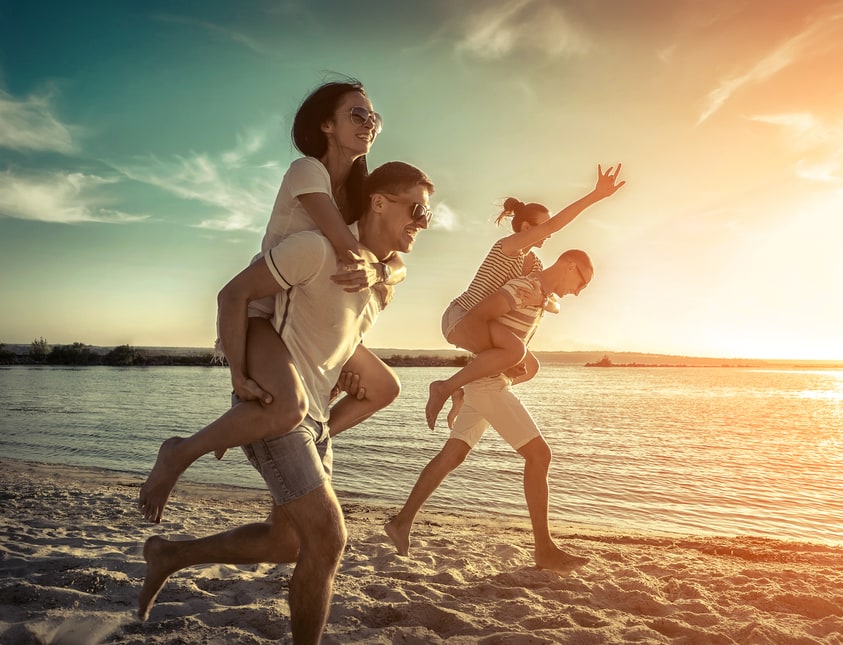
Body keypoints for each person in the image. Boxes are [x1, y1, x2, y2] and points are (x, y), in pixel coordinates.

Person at [138, 161, 434, 645]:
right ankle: (181, 452)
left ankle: (171, 555)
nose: (423, 223)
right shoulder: (315, 250)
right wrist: (239, 377)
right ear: (379, 201)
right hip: (279, 409)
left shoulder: (381, 283)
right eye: (417, 210)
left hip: (315, 420)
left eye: (428, 216)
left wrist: (344, 379)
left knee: (286, 541)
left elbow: (337, 340)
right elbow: (233, 295)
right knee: (327, 539)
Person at [139, 79, 403, 524]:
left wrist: (380, 271)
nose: (369, 125)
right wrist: (240, 378)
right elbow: (344, 244)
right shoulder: (307, 172)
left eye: (373, 117)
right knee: (287, 407)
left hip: (302, 319)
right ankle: (179, 453)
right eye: (357, 115)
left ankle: (284, 430)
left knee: (383, 387)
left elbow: (394, 263)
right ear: (326, 124)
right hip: (258, 311)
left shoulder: (356, 197)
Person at [386, 249, 594, 573]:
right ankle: (545, 549)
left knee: (451, 456)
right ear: (570, 265)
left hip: (486, 382)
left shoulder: (539, 293)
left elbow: (548, 296)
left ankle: (400, 523)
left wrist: (545, 295)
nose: (579, 292)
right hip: (487, 385)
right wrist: (465, 378)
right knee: (540, 456)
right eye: (581, 282)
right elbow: (476, 320)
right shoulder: (523, 288)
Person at [424, 164, 624, 430]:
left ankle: (464, 389)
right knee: (515, 353)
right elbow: (555, 225)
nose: (550, 233)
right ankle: (445, 387)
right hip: (462, 317)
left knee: (529, 366)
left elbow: (552, 302)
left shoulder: (536, 265)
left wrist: (542, 301)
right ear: (527, 227)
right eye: (543, 227)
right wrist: (595, 196)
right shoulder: (507, 248)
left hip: (485, 325)